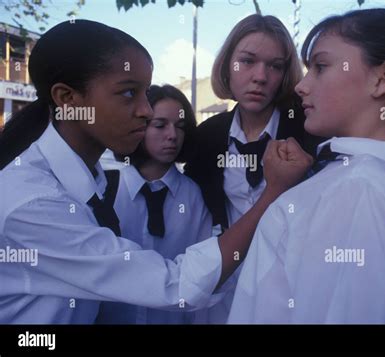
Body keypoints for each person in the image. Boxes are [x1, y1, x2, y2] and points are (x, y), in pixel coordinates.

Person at [0, 19, 313, 324]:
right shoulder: (33, 202)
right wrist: (272, 193)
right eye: (127, 93)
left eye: (145, 93)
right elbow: (174, 285)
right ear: (67, 99)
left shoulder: (86, 181)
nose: (147, 111)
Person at [228, 8, 385, 324]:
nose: (300, 85)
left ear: (383, 78)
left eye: (321, 67)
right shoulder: (362, 180)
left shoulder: (362, 189)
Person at [185, 14, 323, 324]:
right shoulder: (207, 136)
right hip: (224, 291)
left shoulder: (310, 128)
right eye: (247, 61)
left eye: (275, 66)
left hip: (294, 289)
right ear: (226, 66)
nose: (260, 76)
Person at [95, 84, 212, 324]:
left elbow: (201, 271)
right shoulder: (105, 188)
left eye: (180, 127)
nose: (172, 135)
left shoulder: (193, 196)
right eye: (159, 125)